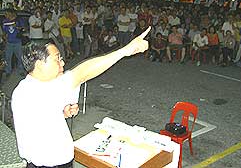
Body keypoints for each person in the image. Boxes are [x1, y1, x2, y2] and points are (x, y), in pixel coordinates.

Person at [12, 27, 151, 168]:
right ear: (40, 64)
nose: (63, 63)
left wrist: (61, 113)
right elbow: (83, 72)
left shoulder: (33, 86)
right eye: (57, 59)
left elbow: (39, 118)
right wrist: (126, 50)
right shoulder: (34, 91)